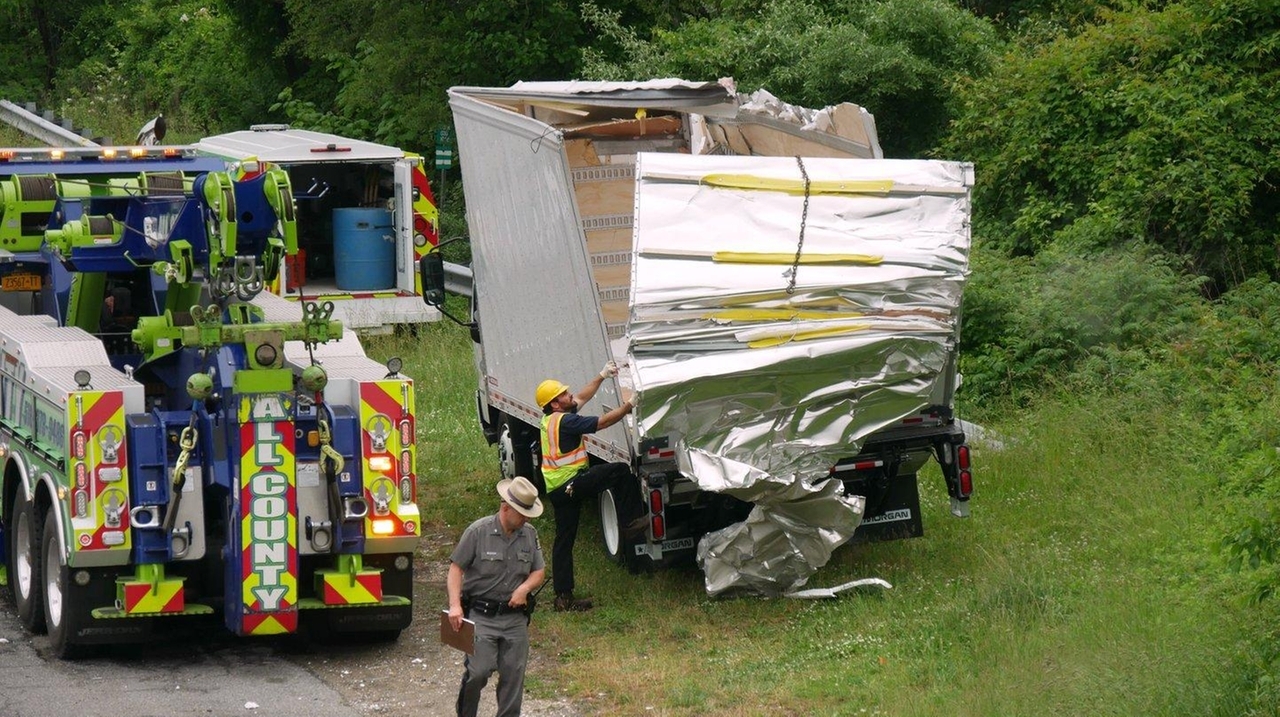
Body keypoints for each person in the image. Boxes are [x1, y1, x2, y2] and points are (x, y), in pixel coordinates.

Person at [535, 360, 647, 613]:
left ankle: (563, 597)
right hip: (571, 483)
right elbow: (604, 423)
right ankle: (630, 523)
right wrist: (630, 405)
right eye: (563, 394)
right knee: (619, 471)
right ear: (554, 403)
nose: (569, 394)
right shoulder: (567, 422)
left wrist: (601, 375)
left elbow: (582, 396)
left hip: (557, 490)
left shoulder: (551, 420)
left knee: (564, 541)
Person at [448, 476, 547, 717]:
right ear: (505, 508)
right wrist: (455, 606)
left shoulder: (529, 534)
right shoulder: (478, 531)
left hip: (515, 619)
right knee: (478, 672)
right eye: (522, 513)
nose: (526, 519)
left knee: (514, 675)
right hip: (482, 616)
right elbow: (456, 569)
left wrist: (524, 589)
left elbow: (539, 571)